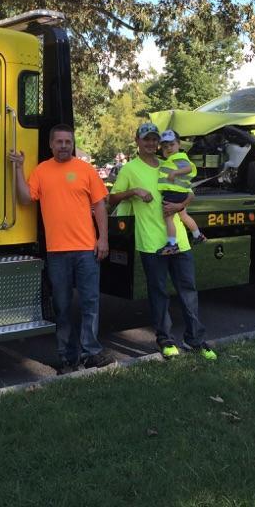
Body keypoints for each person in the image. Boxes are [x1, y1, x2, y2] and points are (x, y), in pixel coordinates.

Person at [8, 124, 114, 374]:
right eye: (59, 142)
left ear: (73, 143)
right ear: (51, 144)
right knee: (62, 306)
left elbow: (100, 207)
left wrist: (103, 240)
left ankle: (91, 353)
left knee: (90, 303)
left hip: (87, 249)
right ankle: (68, 358)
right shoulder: (42, 171)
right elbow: (25, 198)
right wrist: (18, 167)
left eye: (68, 141)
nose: (64, 145)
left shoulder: (86, 170)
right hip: (57, 252)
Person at [109, 122, 217, 361]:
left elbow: (188, 192)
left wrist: (181, 205)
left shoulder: (170, 163)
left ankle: (196, 339)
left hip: (179, 241)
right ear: (137, 141)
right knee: (159, 293)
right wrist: (134, 191)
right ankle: (165, 340)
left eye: (154, 139)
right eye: (145, 139)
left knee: (188, 291)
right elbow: (112, 199)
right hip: (151, 243)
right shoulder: (130, 169)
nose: (150, 143)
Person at [157, 129, 206, 254]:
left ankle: (172, 244)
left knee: (168, 218)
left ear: (179, 144)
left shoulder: (178, 157)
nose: (169, 148)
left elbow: (189, 168)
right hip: (180, 193)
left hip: (173, 193)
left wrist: (174, 172)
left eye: (172, 144)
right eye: (165, 146)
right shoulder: (173, 159)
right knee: (184, 215)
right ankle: (197, 235)